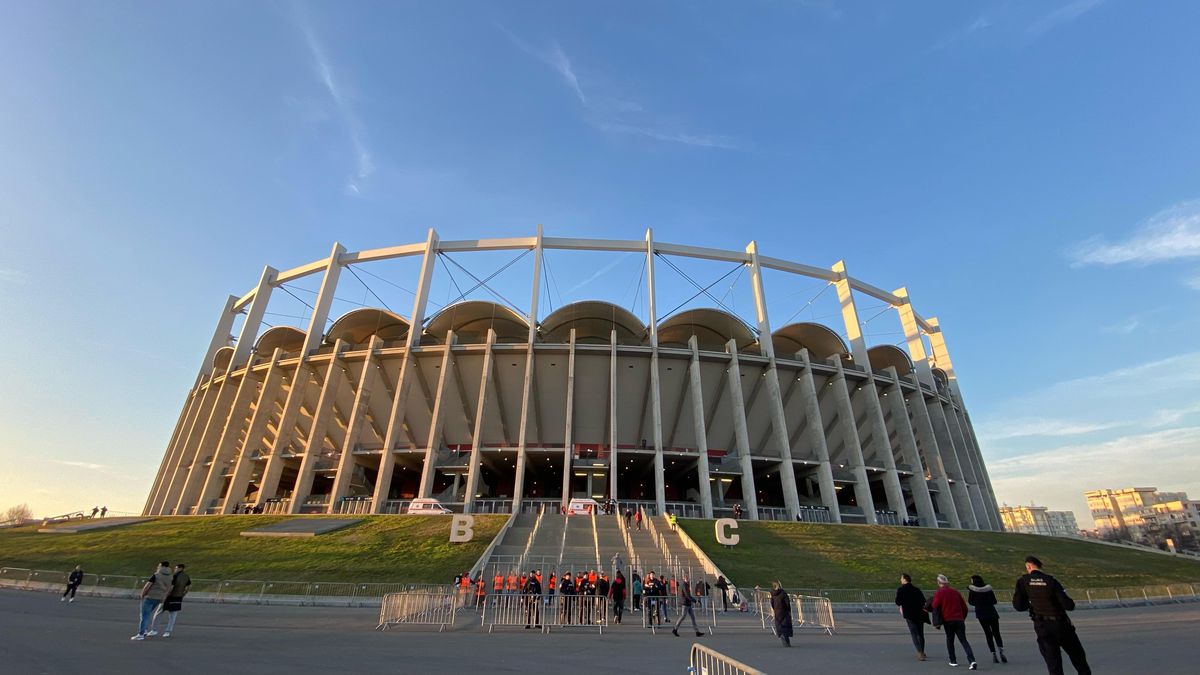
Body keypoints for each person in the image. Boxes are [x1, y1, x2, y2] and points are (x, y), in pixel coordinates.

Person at [1013, 555, 1091, 675]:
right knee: (1078, 659)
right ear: (1040, 566)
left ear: (1028, 566)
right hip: (1062, 624)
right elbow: (1069, 605)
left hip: (1043, 626)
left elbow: (1019, 606)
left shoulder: (1023, 582)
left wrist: (1032, 603)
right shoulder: (1051, 581)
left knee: (1053, 663)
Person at [930, 574, 977, 669]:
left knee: (950, 640)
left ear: (939, 583)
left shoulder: (939, 593)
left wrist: (937, 621)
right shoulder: (956, 592)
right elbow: (964, 607)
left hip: (948, 620)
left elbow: (935, 606)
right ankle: (972, 660)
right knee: (964, 640)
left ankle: (953, 660)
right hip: (959, 620)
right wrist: (962, 617)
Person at [969, 574, 1006, 664]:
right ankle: (1000, 649)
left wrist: (979, 603)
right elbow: (994, 601)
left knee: (988, 633)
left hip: (981, 613)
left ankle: (993, 653)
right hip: (992, 612)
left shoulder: (973, 590)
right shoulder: (988, 589)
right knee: (996, 632)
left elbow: (971, 602)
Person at [131, 561, 172, 640]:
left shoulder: (156, 575)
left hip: (150, 596)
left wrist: (142, 594)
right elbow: (169, 588)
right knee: (148, 614)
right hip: (160, 598)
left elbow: (147, 586)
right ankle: (145, 630)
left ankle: (141, 634)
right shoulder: (170, 576)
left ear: (161, 566)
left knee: (144, 616)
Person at [148, 563, 191, 638]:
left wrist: (165, 595)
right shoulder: (186, 576)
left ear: (180, 568)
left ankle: (154, 630)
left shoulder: (174, 576)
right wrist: (183, 594)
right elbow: (188, 587)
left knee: (158, 613)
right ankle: (168, 631)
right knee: (173, 616)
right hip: (178, 597)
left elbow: (171, 587)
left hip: (169, 597)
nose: (175, 569)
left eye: (176, 568)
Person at [895, 573, 930, 661]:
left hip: (909, 614)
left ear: (904, 580)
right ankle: (922, 651)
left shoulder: (901, 589)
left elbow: (898, 602)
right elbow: (923, 601)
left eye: (901, 578)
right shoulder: (916, 589)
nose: (900, 580)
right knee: (920, 633)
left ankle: (919, 652)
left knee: (914, 633)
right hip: (919, 613)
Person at [769, 581, 793, 647]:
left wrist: (775, 609)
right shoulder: (783, 593)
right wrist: (789, 610)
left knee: (779, 624)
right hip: (784, 611)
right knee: (785, 625)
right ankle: (786, 640)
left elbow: (772, 603)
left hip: (777, 611)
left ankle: (782, 635)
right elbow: (787, 603)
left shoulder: (773, 594)